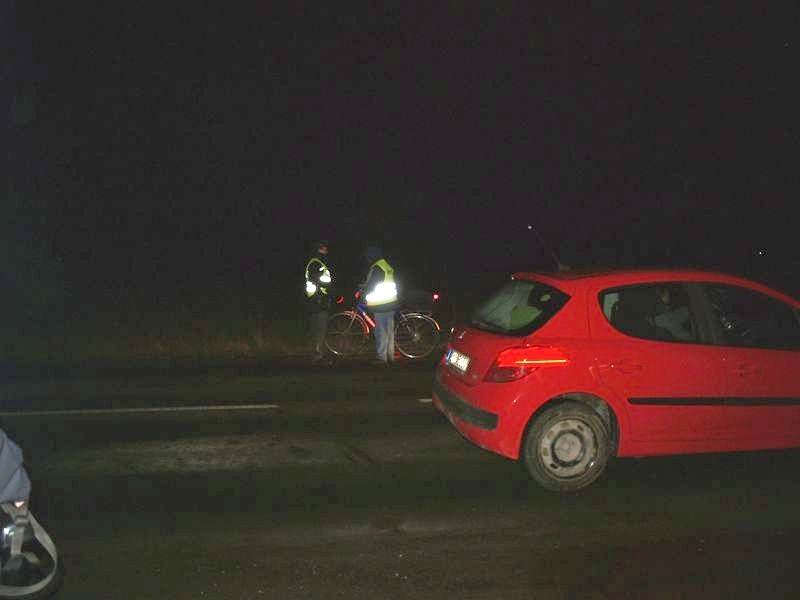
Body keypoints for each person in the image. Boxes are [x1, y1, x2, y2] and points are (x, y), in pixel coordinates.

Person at [360, 246, 399, 365]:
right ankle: (390, 355)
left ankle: (381, 358)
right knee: (389, 331)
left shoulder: (377, 267)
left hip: (381, 304)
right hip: (391, 302)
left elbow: (372, 284)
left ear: (372, 256)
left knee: (380, 331)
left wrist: (363, 294)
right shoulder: (386, 265)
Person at [304, 240, 334, 364]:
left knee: (319, 328)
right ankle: (317, 356)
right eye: (323, 248)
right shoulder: (316, 263)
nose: (326, 249)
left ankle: (318, 354)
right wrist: (328, 287)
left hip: (319, 300)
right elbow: (316, 279)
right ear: (319, 249)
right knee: (320, 328)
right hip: (318, 300)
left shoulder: (319, 262)